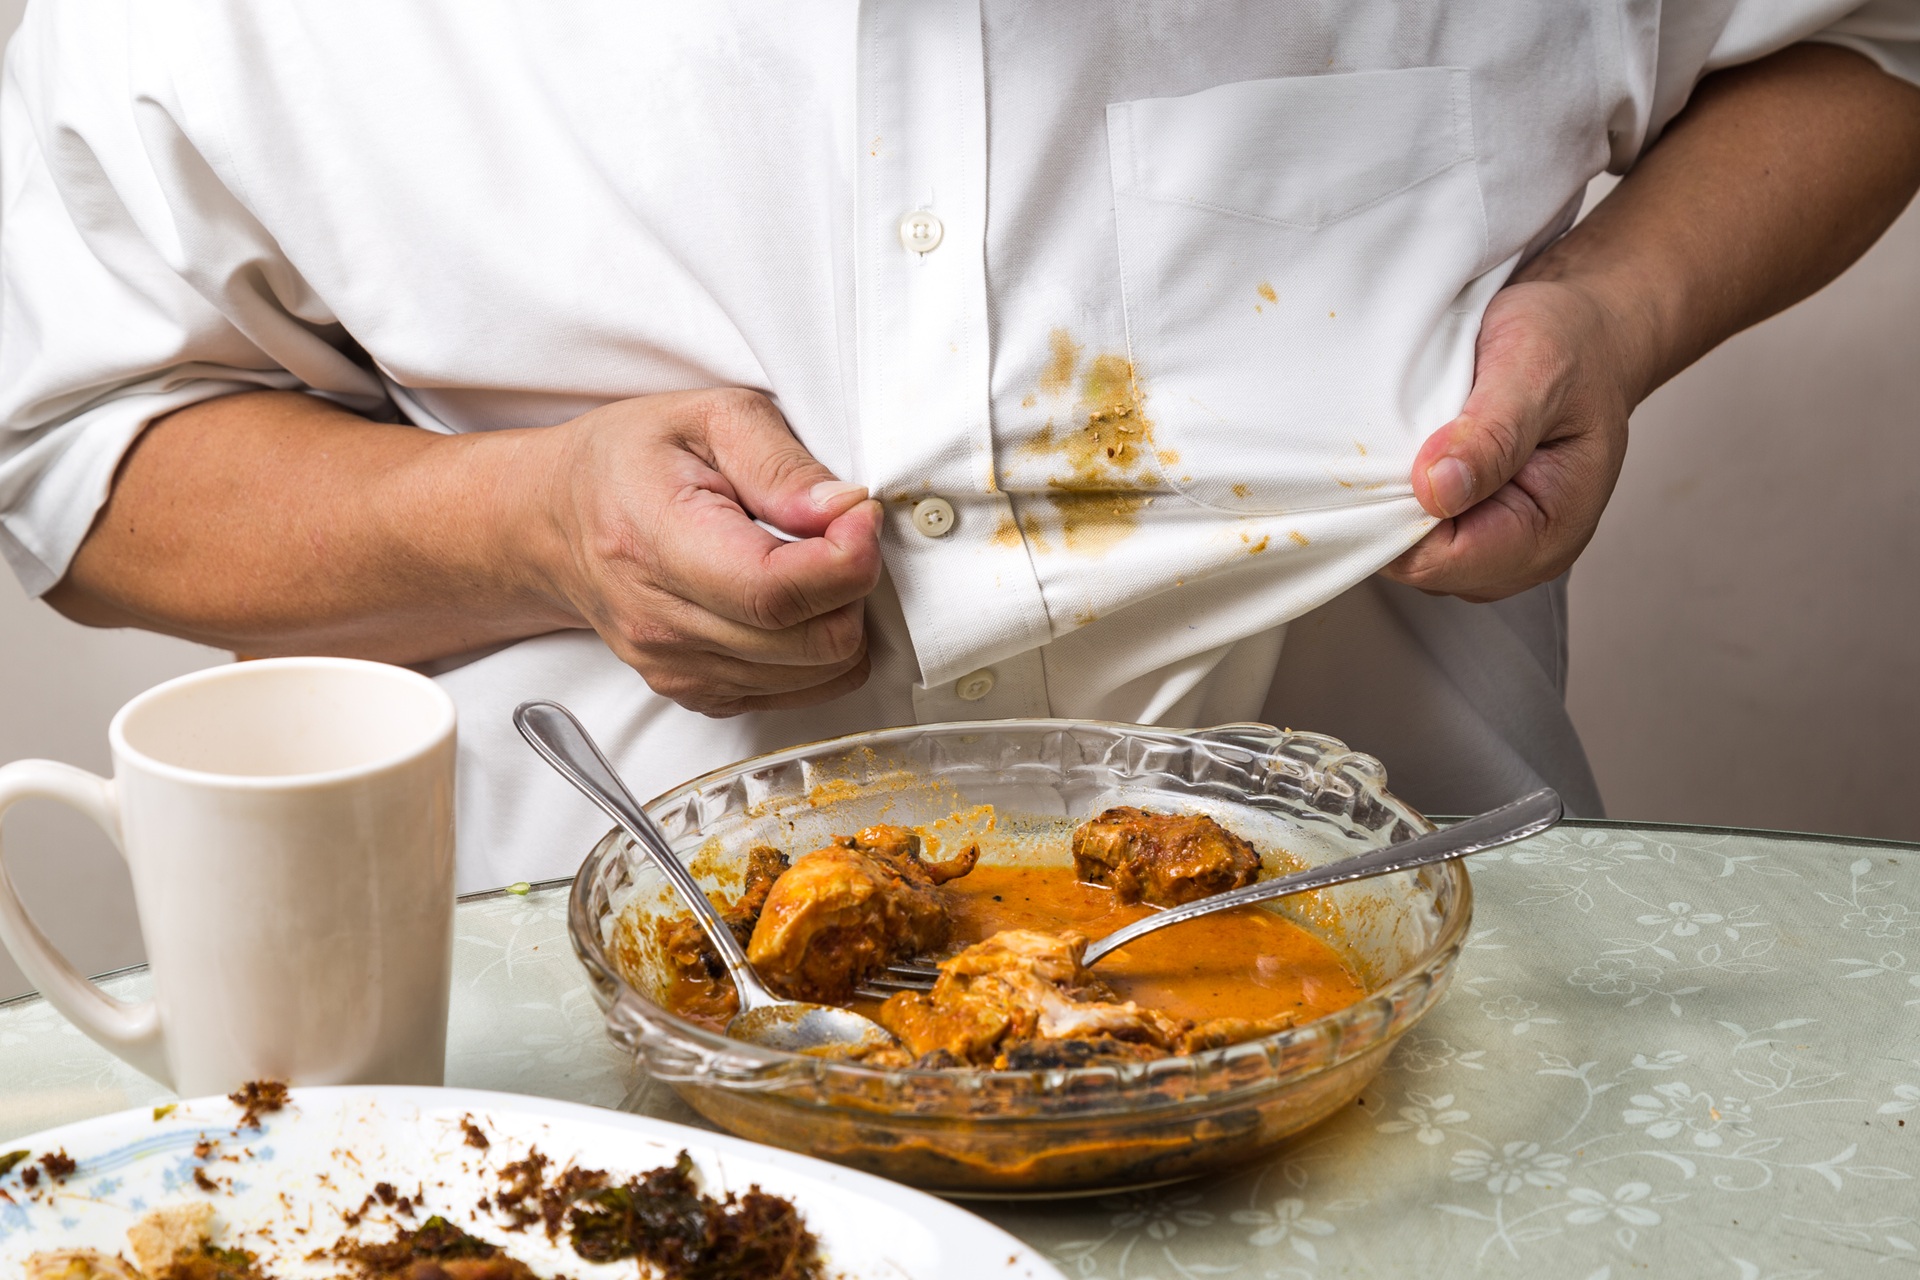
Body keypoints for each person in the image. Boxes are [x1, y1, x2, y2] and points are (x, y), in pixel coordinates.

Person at [4, 2, 1918, 892]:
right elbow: (76, 452)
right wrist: (520, 523)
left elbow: (1876, 38)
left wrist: (1622, 307)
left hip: (1418, 975)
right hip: (597, 1058)